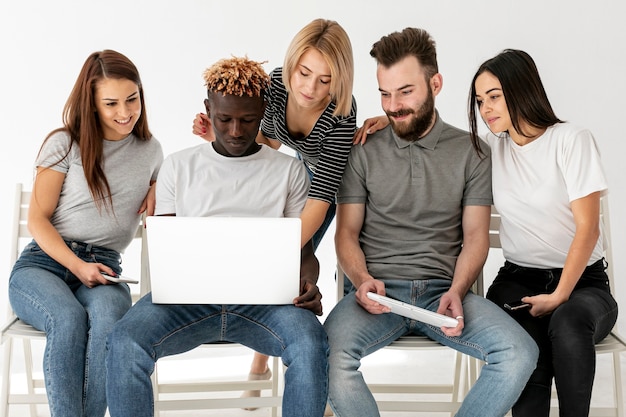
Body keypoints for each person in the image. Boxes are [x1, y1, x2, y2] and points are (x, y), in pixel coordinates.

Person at [323, 28, 539, 417]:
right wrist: (361, 281)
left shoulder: (472, 151)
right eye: (385, 94)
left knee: (519, 352)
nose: (393, 105)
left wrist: (457, 290)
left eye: (405, 91)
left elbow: (476, 238)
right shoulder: (363, 149)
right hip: (377, 295)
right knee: (325, 355)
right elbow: (346, 234)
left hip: (443, 293)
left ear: (435, 83)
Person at [105, 56, 329, 417]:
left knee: (310, 343)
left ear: (264, 111)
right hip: (185, 303)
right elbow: (167, 251)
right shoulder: (178, 166)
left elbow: (303, 253)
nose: (236, 131)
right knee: (124, 341)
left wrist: (309, 282)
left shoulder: (289, 171)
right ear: (208, 110)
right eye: (224, 119)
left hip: (267, 306)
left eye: (248, 120)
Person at [192, 18, 355, 400]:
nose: (310, 88)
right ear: (291, 63)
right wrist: (217, 139)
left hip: (330, 184)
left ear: (340, 79)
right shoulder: (276, 85)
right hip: (293, 169)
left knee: (297, 262)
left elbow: (320, 197)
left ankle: (312, 376)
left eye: (325, 80)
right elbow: (265, 142)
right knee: (275, 261)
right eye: (304, 72)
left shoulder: (342, 117)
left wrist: (268, 250)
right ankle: (262, 356)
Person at [7, 49, 163, 417]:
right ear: (92, 104)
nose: (124, 112)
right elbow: (38, 220)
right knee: (68, 319)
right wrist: (77, 266)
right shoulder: (65, 143)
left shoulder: (151, 150)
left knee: (111, 321)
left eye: (132, 99)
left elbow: (182, 188)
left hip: (106, 267)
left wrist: (159, 185)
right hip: (44, 265)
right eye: (111, 103)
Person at [468, 49, 619, 417]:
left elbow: (588, 228)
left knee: (567, 325)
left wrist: (560, 295)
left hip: (583, 285)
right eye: (479, 100)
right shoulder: (490, 149)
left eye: (494, 96)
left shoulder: (571, 140)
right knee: (524, 347)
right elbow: (438, 142)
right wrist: (387, 121)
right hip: (517, 280)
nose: (485, 109)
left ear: (521, 90)